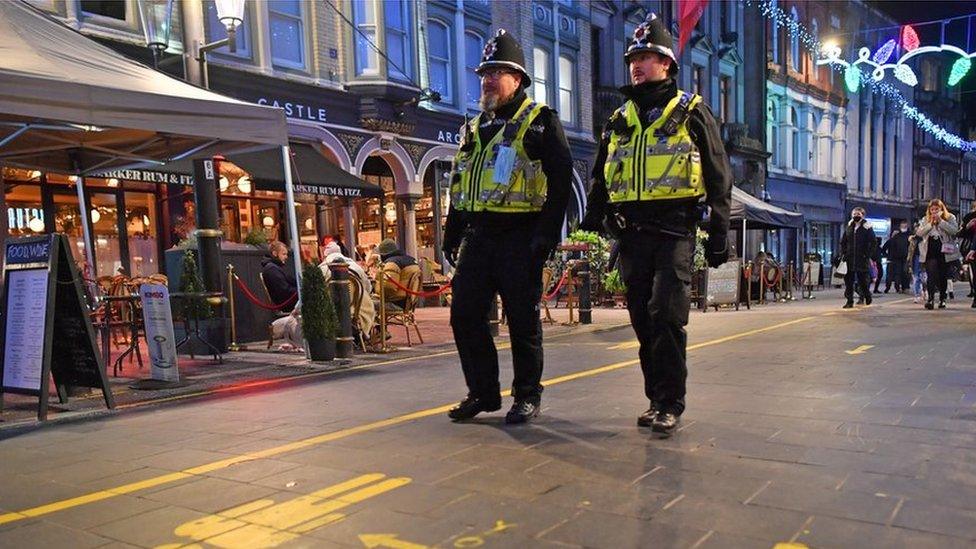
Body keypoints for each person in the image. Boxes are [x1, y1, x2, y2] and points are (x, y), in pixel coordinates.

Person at [579, 13, 731, 435]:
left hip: (674, 233)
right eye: (633, 57)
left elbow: (719, 175)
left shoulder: (691, 112)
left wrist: (720, 233)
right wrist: (594, 218)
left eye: (647, 56)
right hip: (631, 236)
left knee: (666, 315)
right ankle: (655, 397)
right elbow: (600, 174)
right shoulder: (619, 118)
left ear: (666, 64)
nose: (637, 64)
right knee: (642, 321)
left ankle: (670, 402)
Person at [442, 28, 572, 424]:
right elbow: (462, 185)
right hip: (479, 238)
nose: (488, 79)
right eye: (484, 72)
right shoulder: (474, 129)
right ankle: (482, 393)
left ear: (517, 79)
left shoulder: (540, 122)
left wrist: (547, 234)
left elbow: (562, 179)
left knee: (521, 320)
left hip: (520, 236)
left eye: (497, 72)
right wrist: (452, 231)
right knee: (464, 315)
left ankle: (527, 395)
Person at [319, 240, 376, 346]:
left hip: (331, 309)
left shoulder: (322, 269)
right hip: (358, 310)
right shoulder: (356, 267)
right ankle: (363, 335)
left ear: (325, 256)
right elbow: (367, 288)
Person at [916, 199, 960, 310]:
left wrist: (941, 222)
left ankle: (942, 298)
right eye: (932, 210)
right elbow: (919, 232)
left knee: (942, 276)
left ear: (941, 209)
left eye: (937, 209)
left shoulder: (950, 217)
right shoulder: (925, 219)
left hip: (944, 250)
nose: (934, 212)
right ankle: (930, 299)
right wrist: (930, 224)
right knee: (931, 275)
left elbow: (954, 230)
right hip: (930, 249)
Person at [836, 207, 876, 309]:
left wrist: (867, 254)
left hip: (861, 258)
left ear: (863, 215)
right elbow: (843, 241)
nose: (856, 216)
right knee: (848, 281)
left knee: (862, 281)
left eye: (858, 214)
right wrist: (844, 253)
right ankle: (849, 301)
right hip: (849, 258)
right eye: (854, 214)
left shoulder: (867, 227)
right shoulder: (849, 226)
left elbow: (873, 242)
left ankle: (867, 295)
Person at [377, 238, 420, 309]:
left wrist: (376, 292)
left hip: (395, 302)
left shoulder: (392, 263)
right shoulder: (412, 260)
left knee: (365, 304)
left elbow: (388, 288)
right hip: (409, 301)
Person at [261, 241, 298, 312]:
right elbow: (284, 291)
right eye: (284, 254)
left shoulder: (274, 267)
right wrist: (301, 291)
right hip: (287, 304)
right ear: (275, 253)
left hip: (287, 302)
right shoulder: (271, 269)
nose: (286, 257)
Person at [882, 223, 910, 293]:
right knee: (896, 274)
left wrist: (887, 255)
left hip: (893, 259)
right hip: (895, 259)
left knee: (891, 274)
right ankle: (896, 288)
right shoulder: (894, 240)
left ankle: (889, 288)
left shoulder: (891, 240)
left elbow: (883, 249)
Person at [957, 202, 976, 307]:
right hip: (971, 248)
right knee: (974, 272)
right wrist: (967, 226)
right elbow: (960, 233)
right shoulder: (969, 217)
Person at [907, 231, 926, 304]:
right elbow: (910, 251)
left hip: (925, 258)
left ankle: (925, 291)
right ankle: (917, 295)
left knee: (925, 277)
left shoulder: (926, 238)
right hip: (916, 259)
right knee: (916, 277)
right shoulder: (914, 240)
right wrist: (908, 261)